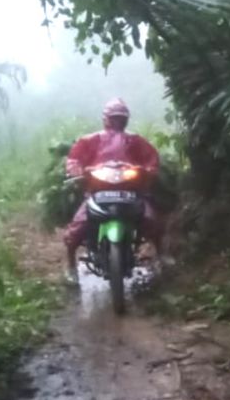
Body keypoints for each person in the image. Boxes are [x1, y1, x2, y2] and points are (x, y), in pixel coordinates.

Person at [63, 98, 164, 285]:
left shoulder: (135, 140)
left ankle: (160, 256)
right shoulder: (90, 140)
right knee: (77, 228)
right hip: (98, 191)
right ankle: (70, 265)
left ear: (126, 120)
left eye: (121, 118)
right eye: (114, 118)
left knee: (152, 220)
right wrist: (78, 171)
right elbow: (74, 159)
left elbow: (152, 158)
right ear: (106, 119)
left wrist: (148, 171)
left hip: (130, 190)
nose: (117, 122)